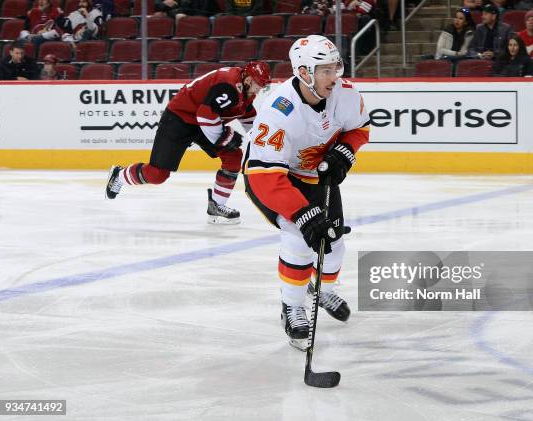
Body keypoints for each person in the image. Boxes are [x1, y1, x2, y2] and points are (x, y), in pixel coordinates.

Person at [243, 35, 370, 350]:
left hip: (316, 176)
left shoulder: (346, 95)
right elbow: (265, 175)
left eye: (335, 68)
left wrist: (345, 151)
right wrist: (302, 214)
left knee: (334, 242)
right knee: (299, 236)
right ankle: (292, 307)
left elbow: (360, 128)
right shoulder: (278, 110)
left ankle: (319, 286)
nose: (334, 76)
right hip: (273, 178)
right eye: (325, 70)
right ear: (303, 73)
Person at [105, 61, 271, 225]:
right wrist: (225, 137)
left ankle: (217, 206)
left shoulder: (245, 89)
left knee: (233, 156)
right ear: (248, 80)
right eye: (259, 85)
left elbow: (246, 114)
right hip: (179, 119)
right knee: (157, 175)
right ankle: (119, 175)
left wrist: (263, 142)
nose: (260, 89)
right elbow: (205, 116)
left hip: (201, 122)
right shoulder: (229, 86)